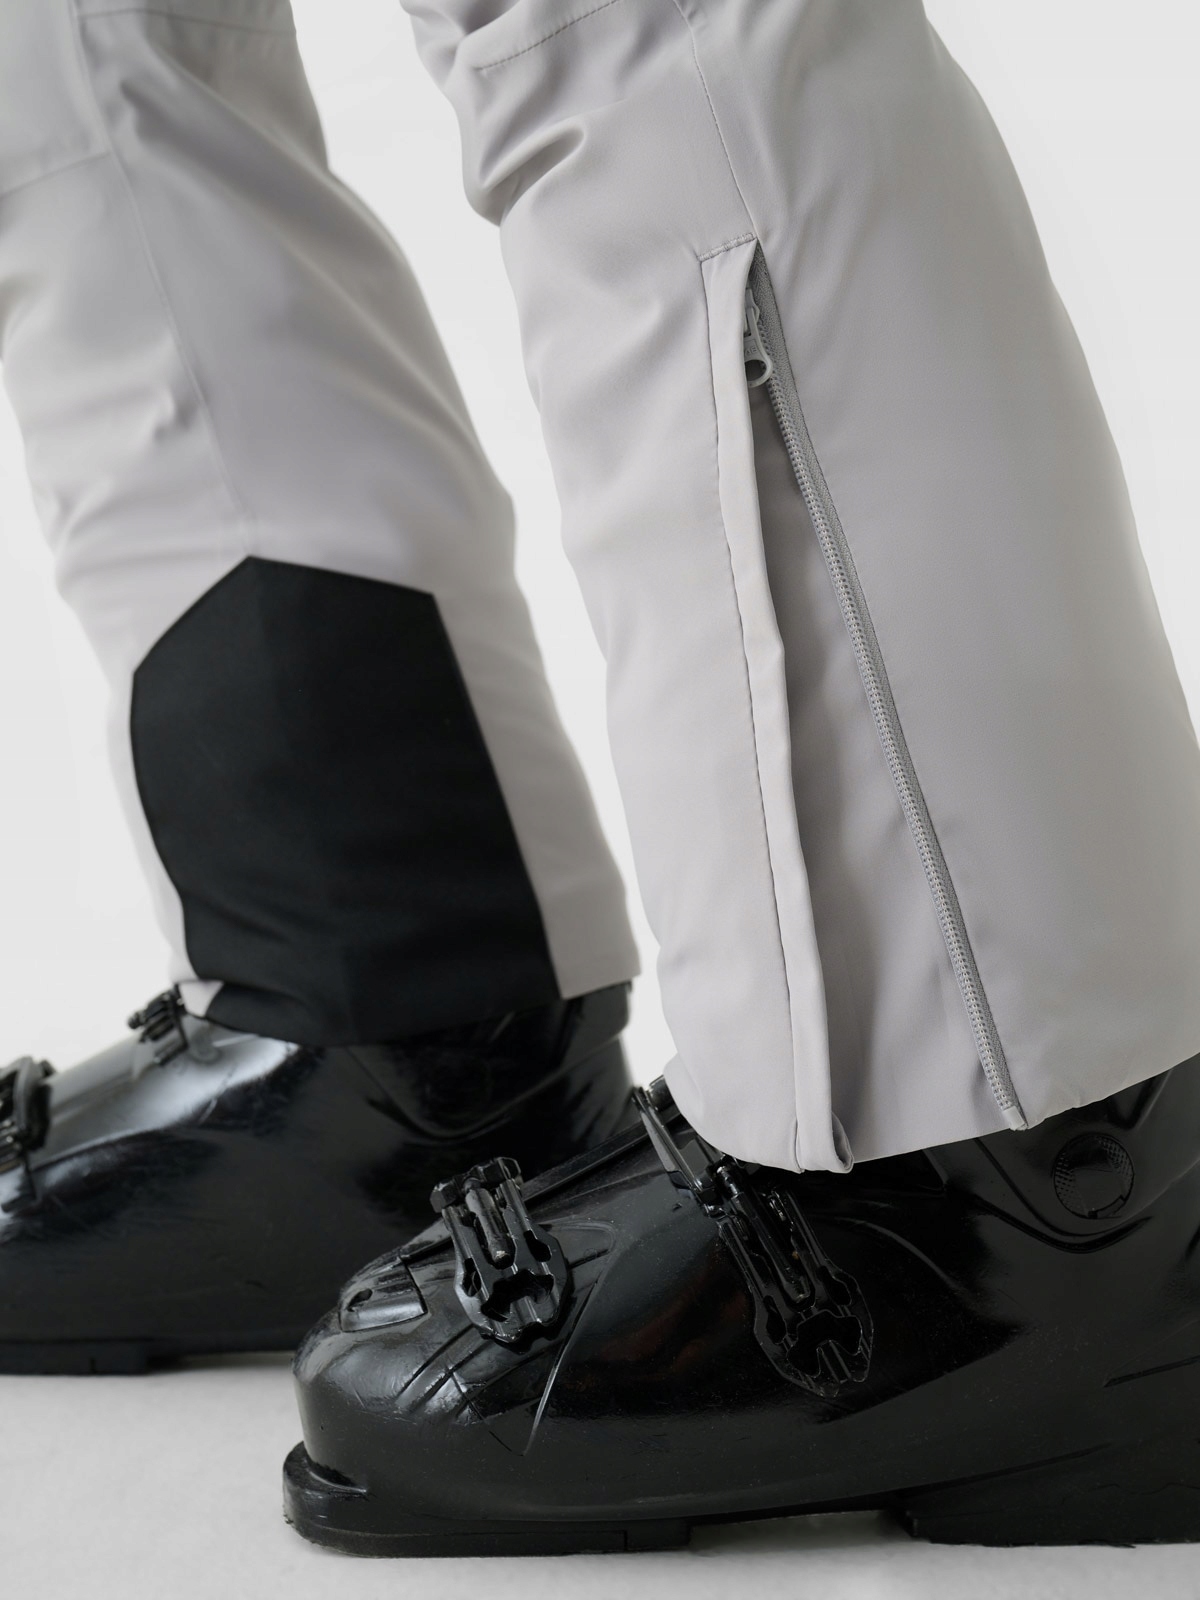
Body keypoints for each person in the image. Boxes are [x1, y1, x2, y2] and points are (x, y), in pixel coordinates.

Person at [3, 0, 1200, 1556]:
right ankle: (392, 1005)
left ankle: (1020, 1141)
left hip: (1010, 1119)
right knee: (80, 61)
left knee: (626, 24)